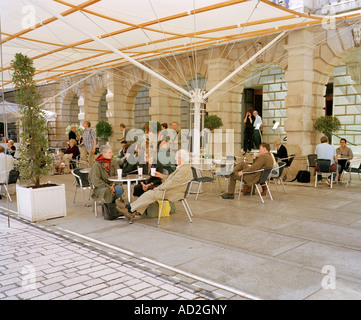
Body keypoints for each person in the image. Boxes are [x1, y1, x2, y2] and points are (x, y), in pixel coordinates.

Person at [115, 149, 193, 224]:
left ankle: (129, 208)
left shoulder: (183, 170)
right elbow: (172, 180)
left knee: (149, 194)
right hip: (173, 190)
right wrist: (161, 175)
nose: (175, 159)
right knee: (148, 194)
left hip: (173, 192)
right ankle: (131, 210)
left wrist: (158, 188)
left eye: (176, 157)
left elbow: (171, 183)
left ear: (181, 159)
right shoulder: (184, 168)